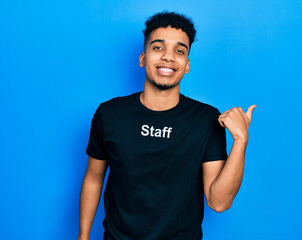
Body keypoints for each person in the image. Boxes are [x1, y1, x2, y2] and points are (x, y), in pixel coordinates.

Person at [78, 11, 256, 240]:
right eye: (158, 47)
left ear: (187, 65)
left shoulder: (206, 119)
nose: (168, 57)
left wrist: (241, 141)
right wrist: (82, 238)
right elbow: (93, 178)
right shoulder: (109, 113)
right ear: (143, 58)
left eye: (179, 51)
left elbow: (219, 202)